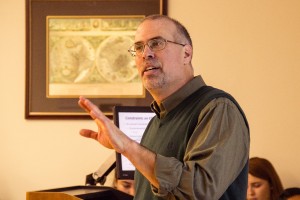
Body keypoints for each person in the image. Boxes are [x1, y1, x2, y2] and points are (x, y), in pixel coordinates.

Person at [78, 14, 250, 199]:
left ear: (186, 54)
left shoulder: (218, 108)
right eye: (138, 47)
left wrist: (127, 146)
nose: (146, 54)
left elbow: (199, 192)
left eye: (157, 43)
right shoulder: (154, 123)